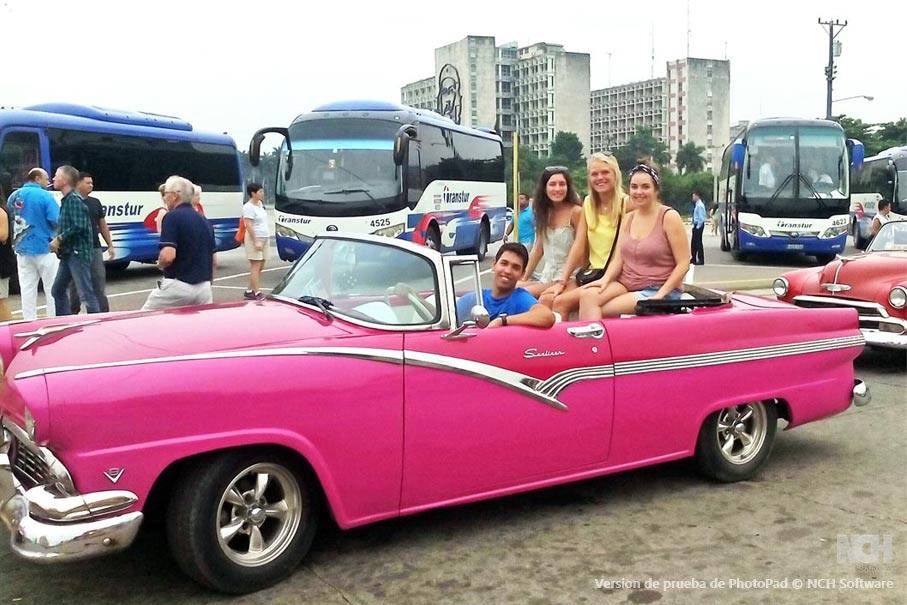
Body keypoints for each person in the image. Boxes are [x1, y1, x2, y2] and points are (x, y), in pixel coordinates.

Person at [578, 164, 690, 319]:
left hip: (658, 288)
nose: (639, 192)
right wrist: (605, 279)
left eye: (645, 187)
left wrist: (660, 294)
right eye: (634, 187)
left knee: (601, 309)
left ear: (656, 189)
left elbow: (683, 263)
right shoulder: (628, 218)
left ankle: (597, 342)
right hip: (627, 283)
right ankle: (599, 342)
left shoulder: (669, 217)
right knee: (588, 296)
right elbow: (619, 259)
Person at [546, 153, 627, 318]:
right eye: (594, 174)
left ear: (615, 175)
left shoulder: (626, 204)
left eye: (605, 172)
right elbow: (579, 244)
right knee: (548, 298)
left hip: (617, 276)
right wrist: (563, 280)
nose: (600, 178)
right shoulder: (589, 203)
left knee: (563, 302)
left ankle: (584, 344)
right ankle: (557, 343)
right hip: (592, 273)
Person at [141, 176, 216, 310]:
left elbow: (168, 255)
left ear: (175, 196)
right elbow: (214, 260)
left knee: (143, 318)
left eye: (166, 194)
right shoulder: (205, 221)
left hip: (179, 285)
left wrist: (160, 264)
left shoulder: (171, 217)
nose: (165, 198)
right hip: (204, 287)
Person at [456, 242, 555, 329]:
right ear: (494, 265)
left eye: (515, 267)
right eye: (504, 263)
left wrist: (502, 321)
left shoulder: (520, 298)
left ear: (522, 274)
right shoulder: (476, 298)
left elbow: (547, 316)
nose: (507, 271)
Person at [518, 166, 582, 299]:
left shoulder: (576, 212)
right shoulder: (544, 213)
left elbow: (580, 248)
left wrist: (563, 280)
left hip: (570, 277)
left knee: (522, 295)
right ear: (545, 188)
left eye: (562, 184)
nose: (557, 189)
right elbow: (538, 248)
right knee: (512, 288)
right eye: (552, 184)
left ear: (568, 187)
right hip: (547, 276)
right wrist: (524, 277)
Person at [8, 168, 60, 320]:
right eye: (46, 179)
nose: (48, 182)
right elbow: (56, 220)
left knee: (27, 289)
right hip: (45, 247)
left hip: (22, 248)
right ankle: (53, 320)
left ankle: (29, 320)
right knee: (51, 288)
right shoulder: (45, 196)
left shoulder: (14, 196)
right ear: (37, 178)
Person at [50, 165, 100, 315]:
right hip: (69, 253)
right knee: (57, 290)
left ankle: (98, 324)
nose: (53, 179)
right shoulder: (67, 200)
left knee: (85, 293)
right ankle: (64, 321)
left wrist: (59, 238)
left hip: (77, 253)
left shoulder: (73, 200)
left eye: (56, 176)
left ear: (64, 180)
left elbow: (81, 225)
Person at [68, 172, 115, 313]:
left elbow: (102, 225)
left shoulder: (95, 202)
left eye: (92, 183)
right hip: (76, 249)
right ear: (78, 183)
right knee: (75, 284)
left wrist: (110, 244)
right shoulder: (71, 201)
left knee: (98, 282)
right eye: (87, 182)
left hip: (94, 247)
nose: (91, 185)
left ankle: (103, 313)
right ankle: (72, 312)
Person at [242, 182, 270, 300]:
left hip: (264, 237)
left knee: (262, 264)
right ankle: (256, 292)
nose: (262, 194)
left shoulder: (260, 204)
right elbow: (248, 225)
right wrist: (256, 241)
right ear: (253, 193)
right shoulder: (248, 207)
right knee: (255, 265)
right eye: (260, 192)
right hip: (255, 239)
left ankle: (249, 289)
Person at [0, 197, 15, 321]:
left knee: (1, 300)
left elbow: (3, 235)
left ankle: (7, 330)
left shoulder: (1, 212)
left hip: (2, 263)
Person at [690, 189, 707, 265]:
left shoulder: (700, 205)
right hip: (696, 225)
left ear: (697, 196)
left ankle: (701, 259)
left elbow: (701, 218)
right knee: (693, 243)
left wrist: (697, 227)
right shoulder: (697, 204)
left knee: (698, 243)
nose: (693, 197)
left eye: (693, 196)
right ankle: (693, 258)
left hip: (698, 226)